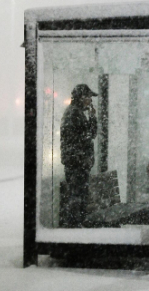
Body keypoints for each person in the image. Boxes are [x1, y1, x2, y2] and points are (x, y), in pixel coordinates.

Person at [59, 84, 98, 228]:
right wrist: (82, 158)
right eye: (88, 97)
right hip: (76, 165)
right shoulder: (73, 114)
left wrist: (92, 117)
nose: (90, 100)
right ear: (81, 98)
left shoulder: (78, 113)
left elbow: (91, 134)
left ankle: (78, 225)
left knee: (80, 197)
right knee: (77, 197)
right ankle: (74, 227)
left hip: (80, 164)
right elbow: (76, 139)